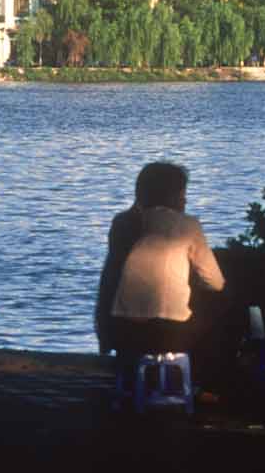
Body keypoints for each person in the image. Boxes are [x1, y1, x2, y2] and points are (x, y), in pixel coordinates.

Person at [98, 160, 239, 388]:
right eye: (183, 193)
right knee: (224, 297)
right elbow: (215, 282)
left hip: (121, 331)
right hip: (166, 335)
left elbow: (111, 277)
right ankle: (211, 377)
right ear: (172, 195)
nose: (185, 199)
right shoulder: (187, 226)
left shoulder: (122, 223)